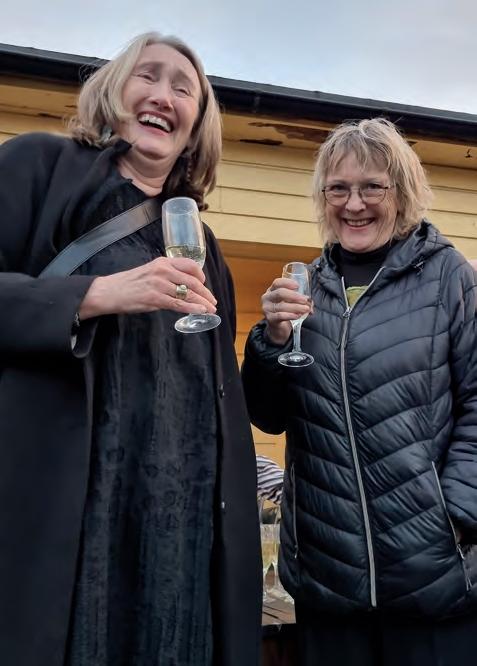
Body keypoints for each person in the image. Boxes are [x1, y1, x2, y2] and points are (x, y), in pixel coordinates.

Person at [0, 31, 261, 666]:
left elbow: (221, 388)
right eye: (148, 75)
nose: (163, 95)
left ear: (196, 124)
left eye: (184, 88)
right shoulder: (37, 167)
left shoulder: (204, 244)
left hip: (180, 528)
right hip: (65, 516)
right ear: (114, 90)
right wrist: (94, 294)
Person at [242, 118, 477, 666]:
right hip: (328, 578)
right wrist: (271, 341)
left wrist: (454, 518)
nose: (354, 204)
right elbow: (270, 417)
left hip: (433, 576)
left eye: (373, 187)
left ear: (403, 191)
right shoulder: (308, 287)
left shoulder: (449, 278)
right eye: (338, 189)